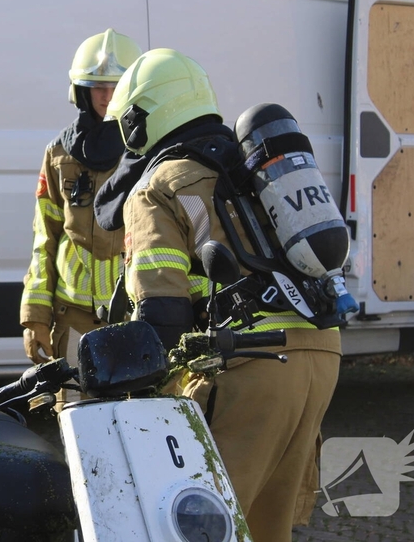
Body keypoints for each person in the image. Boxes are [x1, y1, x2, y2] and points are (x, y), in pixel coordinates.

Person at [102, 48, 341, 542]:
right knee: (268, 528)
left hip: (249, 366)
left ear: (141, 120)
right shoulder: (251, 167)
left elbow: (161, 310)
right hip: (321, 353)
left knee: (201, 524)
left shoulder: (155, 186)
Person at [20, 29, 141, 408]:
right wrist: (34, 317)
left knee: (139, 429)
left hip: (137, 321)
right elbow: (45, 239)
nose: (107, 97)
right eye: (97, 87)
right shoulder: (59, 154)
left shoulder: (149, 150)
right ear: (81, 91)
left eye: (116, 86)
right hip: (73, 323)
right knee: (78, 430)